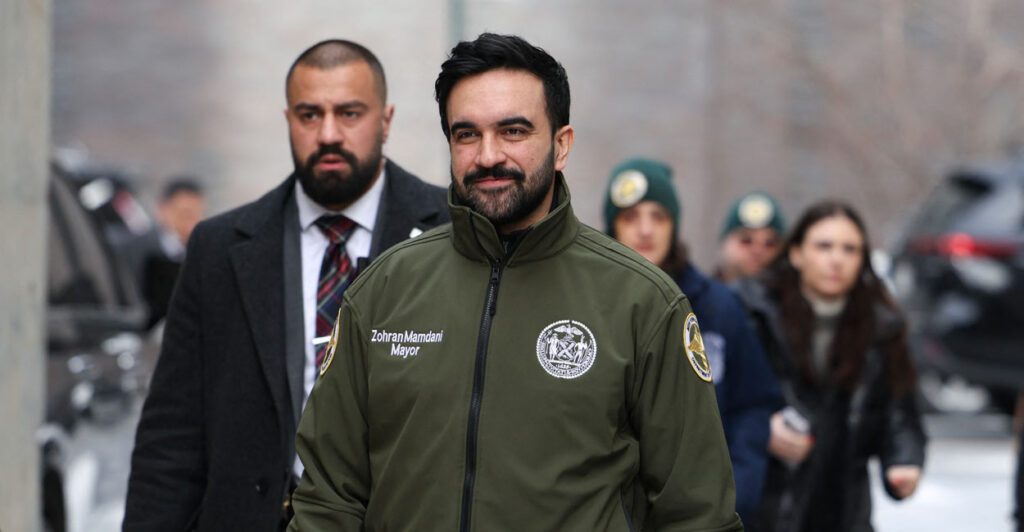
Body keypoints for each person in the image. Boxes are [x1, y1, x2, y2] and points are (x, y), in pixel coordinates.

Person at [287, 33, 743, 532]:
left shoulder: (644, 304)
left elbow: (698, 514)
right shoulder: (380, 294)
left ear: (561, 145)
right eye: (467, 134)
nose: (487, 156)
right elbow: (327, 501)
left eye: (513, 131)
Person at [123, 39, 449, 531]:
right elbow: (172, 437)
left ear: (385, 120)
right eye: (309, 115)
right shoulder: (219, 249)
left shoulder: (451, 232)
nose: (329, 134)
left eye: (350, 113)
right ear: (288, 121)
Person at [603, 157, 782, 521]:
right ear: (611, 226)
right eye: (630, 217)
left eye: (659, 216)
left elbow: (752, 406)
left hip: (699, 516)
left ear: (675, 224)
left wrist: (734, 499)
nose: (645, 229)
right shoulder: (587, 303)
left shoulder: (718, 306)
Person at [734, 200, 926, 532]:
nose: (836, 259)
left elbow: (900, 410)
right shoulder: (754, 313)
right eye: (824, 246)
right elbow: (723, 397)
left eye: (850, 249)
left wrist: (903, 460)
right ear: (796, 253)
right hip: (768, 500)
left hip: (843, 503)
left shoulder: (883, 327)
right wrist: (762, 426)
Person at [139, 177, 206, 326]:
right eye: (184, 214)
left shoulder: (204, 255)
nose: (190, 223)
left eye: (196, 215)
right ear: (163, 210)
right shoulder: (134, 249)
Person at [715, 191, 786, 283]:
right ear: (724, 245)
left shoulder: (792, 297)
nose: (757, 251)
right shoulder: (697, 295)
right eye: (746, 241)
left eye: (769, 243)